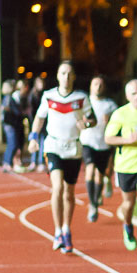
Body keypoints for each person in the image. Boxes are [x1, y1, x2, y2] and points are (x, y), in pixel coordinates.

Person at [28, 61, 96, 253]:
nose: (66, 77)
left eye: (69, 74)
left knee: (69, 192)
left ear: (74, 77)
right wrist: (33, 138)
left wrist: (87, 124)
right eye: (63, 73)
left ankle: (66, 228)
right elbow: (39, 118)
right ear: (58, 76)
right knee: (57, 187)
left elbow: (92, 119)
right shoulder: (48, 96)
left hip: (73, 148)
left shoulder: (81, 97)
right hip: (53, 146)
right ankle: (57, 230)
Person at [105, 79, 137, 254]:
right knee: (128, 204)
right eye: (133, 94)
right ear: (127, 96)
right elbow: (109, 138)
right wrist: (129, 139)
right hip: (125, 165)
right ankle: (128, 226)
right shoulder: (120, 114)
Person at [80, 75, 119, 222]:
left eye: (101, 84)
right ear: (90, 86)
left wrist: (110, 121)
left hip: (103, 143)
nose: (98, 87)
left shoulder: (110, 105)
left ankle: (96, 198)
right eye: (95, 84)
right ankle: (93, 205)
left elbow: (117, 123)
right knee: (90, 170)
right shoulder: (85, 103)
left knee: (99, 175)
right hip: (87, 141)